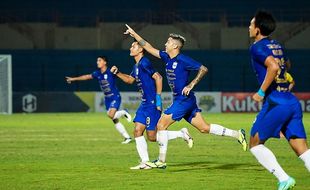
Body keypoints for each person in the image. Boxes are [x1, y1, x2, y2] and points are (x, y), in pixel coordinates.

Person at [124, 24, 247, 169]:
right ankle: (238, 134)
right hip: (183, 100)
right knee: (204, 128)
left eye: (168, 42)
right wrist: (134, 34)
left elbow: (203, 69)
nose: (165, 43)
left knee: (161, 125)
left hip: (184, 100)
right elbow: (148, 46)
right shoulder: (166, 57)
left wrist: (191, 84)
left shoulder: (183, 60)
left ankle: (161, 161)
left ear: (175, 46)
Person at [248, 10, 310, 190]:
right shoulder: (276, 45)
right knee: (302, 149)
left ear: (258, 30)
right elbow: (285, 64)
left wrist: (261, 91)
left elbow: (274, 67)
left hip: (276, 102)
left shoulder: (257, 47)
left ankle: (284, 179)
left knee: (255, 144)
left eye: (251, 24)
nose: (249, 27)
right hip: (291, 101)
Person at [111, 41, 193, 170]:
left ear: (140, 50)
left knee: (152, 137)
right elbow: (130, 80)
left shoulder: (144, 62)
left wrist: (158, 99)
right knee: (137, 131)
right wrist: (117, 73)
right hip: (144, 104)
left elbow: (158, 77)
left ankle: (181, 134)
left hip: (152, 105)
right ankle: (145, 162)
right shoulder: (136, 66)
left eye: (133, 46)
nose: (130, 48)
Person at [66, 56, 133, 144]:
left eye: (99, 60)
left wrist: (128, 76)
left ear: (105, 62)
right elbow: (86, 76)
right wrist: (73, 79)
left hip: (115, 97)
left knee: (110, 115)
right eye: (97, 60)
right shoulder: (97, 73)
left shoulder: (110, 71)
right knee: (114, 119)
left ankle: (124, 111)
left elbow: (124, 76)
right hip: (107, 99)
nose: (97, 62)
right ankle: (127, 137)